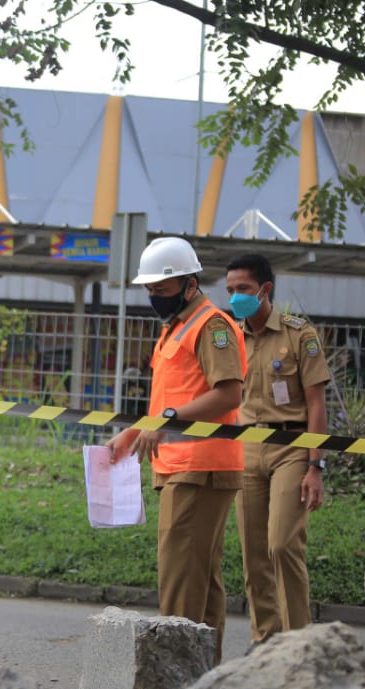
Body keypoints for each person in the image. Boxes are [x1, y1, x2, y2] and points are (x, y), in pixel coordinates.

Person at [107, 237, 245, 663]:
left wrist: (166, 422)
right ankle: (201, 678)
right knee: (199, 582)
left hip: (200, 467)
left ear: (189, 284)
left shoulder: (211, 325)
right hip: (181, 465)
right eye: (149, 290)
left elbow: (229, 394)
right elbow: (177, 396)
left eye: (161, 290)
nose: (154, 298)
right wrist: (138, 431)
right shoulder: (176, 327)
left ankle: (175, 680)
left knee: (182, 582)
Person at [224, 253, 331, 646]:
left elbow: (318, 403)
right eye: (231, 290)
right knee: (254, 554)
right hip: (247, 448)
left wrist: (316, 466)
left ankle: (298, 643)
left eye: (244, 290)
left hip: (292, 446)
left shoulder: (297, 334)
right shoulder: (230, 336)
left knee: (282, 544)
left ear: (265, 290)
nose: (235, 297)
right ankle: (266, 640)